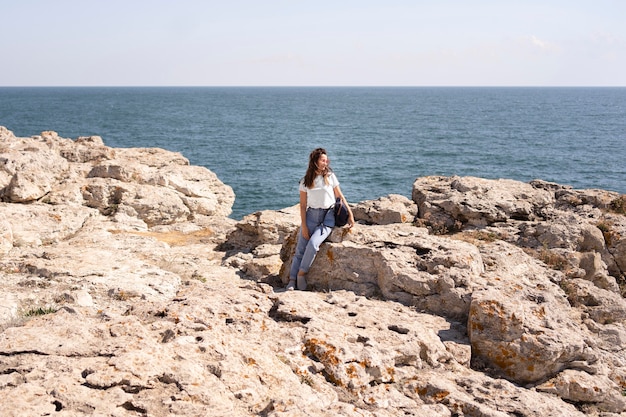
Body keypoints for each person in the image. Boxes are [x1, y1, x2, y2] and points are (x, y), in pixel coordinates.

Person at [287, 148, 355, 291]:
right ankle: (292, 281)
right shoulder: (305, 181)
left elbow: (340, 196)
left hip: (328, 217)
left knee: (312, 244)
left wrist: (350, 214)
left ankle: (301, 274)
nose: (326, 162)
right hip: (311, 216)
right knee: (300, 249)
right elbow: (303, 205)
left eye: (326, 160)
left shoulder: (330, 176)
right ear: (315, 162)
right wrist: (304, 226)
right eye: (323, 160)